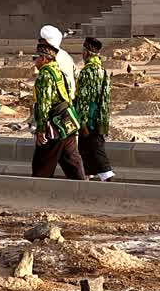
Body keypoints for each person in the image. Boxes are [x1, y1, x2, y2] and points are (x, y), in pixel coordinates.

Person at [31, 41, 85, 180]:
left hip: (54, 126)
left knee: (41, 166)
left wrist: (41, 129)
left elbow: (44, 104)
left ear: (43, 58)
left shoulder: (45, 75)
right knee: (72, 163)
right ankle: (84, 191)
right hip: (68, 122)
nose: (34, 61)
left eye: (35, 57)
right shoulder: (59, 72)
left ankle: (37, 195)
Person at [74, 36, 114, 182]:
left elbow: (84, 99)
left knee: (93, 147)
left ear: (87, 53)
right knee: (89, 147)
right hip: (99, 115)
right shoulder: (102, 71)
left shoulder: (86, 72)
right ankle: (88, 176)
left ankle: (106, 174)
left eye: (83, 51)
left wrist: (82, 122)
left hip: (89, 117)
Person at [38, 25, 77, 99]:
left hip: (58, 101)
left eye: (41, 40)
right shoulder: (65, 55)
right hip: (69, 99)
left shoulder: (49, 58)